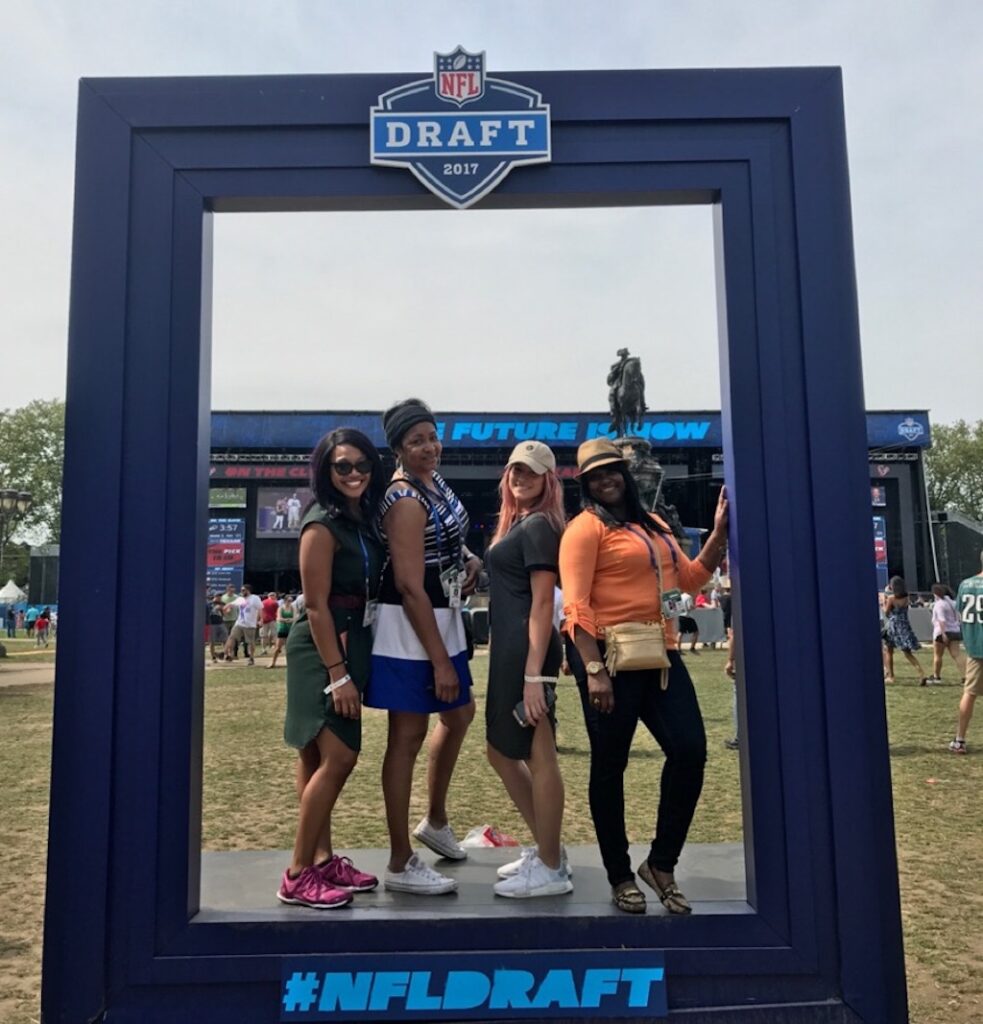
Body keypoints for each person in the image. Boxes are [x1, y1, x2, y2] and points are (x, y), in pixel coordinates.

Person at [559, 439, 729, 915]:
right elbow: (575, 607)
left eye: (611, 471)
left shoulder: (654, 525)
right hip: (608, 658)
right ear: (585, 485)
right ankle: (619, 875)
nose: (605, 480)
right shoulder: (584, 529)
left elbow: (689, 580)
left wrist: (718, 534)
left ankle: (660, 863)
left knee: (690, 750)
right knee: (610, 765)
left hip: (660, 653)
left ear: (625, 473)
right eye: (594, 476)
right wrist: (594, 671)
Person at [365, 398, 482, 895]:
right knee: (407, 735)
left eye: (432, 437)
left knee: (459, 713)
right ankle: (400, 861)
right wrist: (439, 661)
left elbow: (448, 537)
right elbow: (410, 585)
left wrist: (471, 558)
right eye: (416, 441)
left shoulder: (433, 481)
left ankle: (435, 820)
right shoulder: (404, 498)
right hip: (411, 627)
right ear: (397, 448)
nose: (429, 447)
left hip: (442, 616)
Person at [279, 428, 387, 909]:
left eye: (362, 464)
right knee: (340, 757)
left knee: (314, 758)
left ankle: (321, 860)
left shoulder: (360, 519)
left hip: (350, 639)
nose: (354, 473)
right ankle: (297, 874)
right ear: (325, 470)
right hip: (322, 649)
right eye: (342, 465)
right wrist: (338, 674)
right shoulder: (320, 524)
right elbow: (316, 606)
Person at [484, 442, 572, 899]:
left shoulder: (539, 526)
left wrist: (534, 675)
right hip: (512, 649)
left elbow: (542, 604)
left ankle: (552, 864)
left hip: (527, 651)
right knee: (501, 751)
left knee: (539, 756)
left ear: (548, 480)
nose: (521, 478)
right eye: (516, 470)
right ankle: (549, 849)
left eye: (531, 473)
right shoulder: (520, 522)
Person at [950, 553, 983, 754]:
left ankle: (960, 739)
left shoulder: (966, 584)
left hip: (975, 648)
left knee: (969, 693)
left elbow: (961, 614)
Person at [882, 576, 928, 685]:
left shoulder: (891, 598)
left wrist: (884, 602)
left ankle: (891, 676)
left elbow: (886, 612)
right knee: (907, 653)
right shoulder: (906, 597)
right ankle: (921, 673)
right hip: (904, 625)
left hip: (894, 626)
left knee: (889, 651)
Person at [928, 584, 964, 684]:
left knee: (938, 655)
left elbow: (941, 620)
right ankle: (966, 676)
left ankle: (936, 676)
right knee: (957, 655)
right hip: (955, 630)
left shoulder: (939, 604)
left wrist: (943, 633)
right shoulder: (954, 603)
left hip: (942, 631)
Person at [225, 585, 262, 665]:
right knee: (232, 637)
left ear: (248, 590)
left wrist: (260, 620)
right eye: (241, 590)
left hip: (250, 624)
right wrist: (226, 606)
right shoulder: (240, 599)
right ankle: (229, 655)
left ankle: (251, 658)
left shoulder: (255, 598)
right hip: (239, 622)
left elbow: (260, 609)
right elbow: (232, 604)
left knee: (250, 642)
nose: (242, 592)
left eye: (243, 590)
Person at [268, 593, 295, 669]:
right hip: (282, 629)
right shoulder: (281, 608)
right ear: (285, 601)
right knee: (278, 648)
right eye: (288, 600)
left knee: (289, 647)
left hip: (290, 629)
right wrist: (288, 620)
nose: (290, 602)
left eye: (291, 601)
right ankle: (273, 662)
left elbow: (295, 618)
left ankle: (290, 663)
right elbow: (279, 618)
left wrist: (287, 620)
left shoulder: (293, 608)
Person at [207, 595, 228, 663]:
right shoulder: (209, 604)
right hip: (212, 624)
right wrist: (215, 608)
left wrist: (222, 609)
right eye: (217, 596)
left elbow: (225, 614)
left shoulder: (223, 604)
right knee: (212, 641)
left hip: (221, 623)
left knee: (225, 640)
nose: (219, 598)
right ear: (214, 597)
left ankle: (226, 655)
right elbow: (207, 613)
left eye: (220, 597)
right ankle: (213, 657)